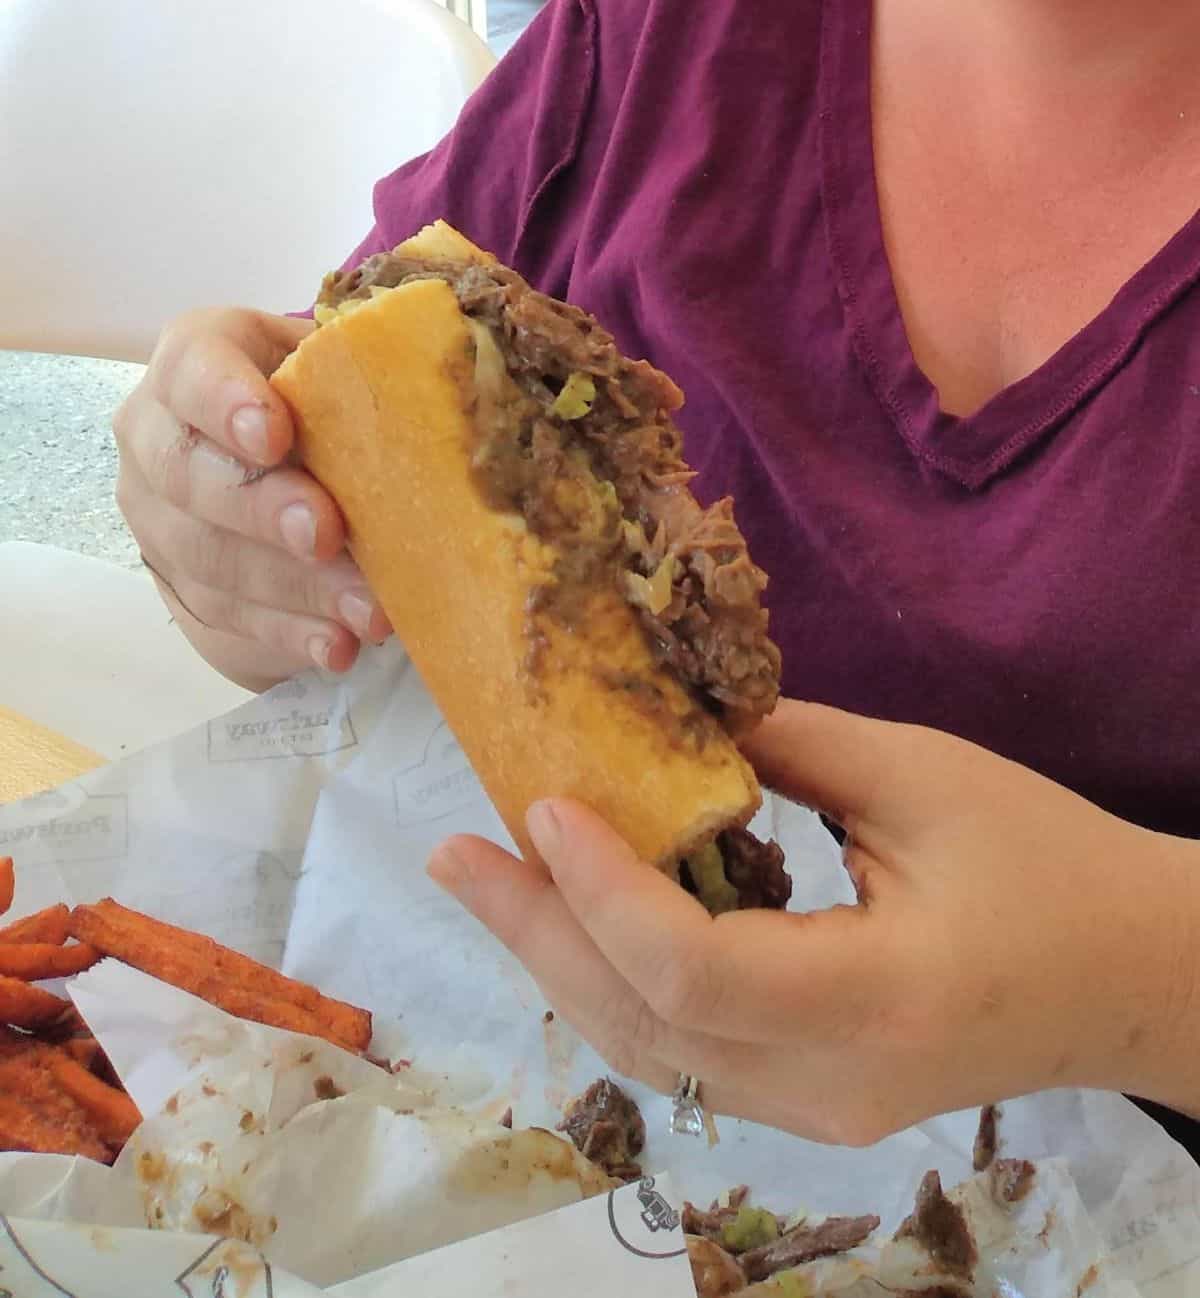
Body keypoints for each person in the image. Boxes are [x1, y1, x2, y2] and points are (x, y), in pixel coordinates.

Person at [113, 0, 1200, 1151]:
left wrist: (1143, 978)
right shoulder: (649, 39)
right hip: (538, 1122)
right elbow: (346, 503)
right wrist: (233, 530)